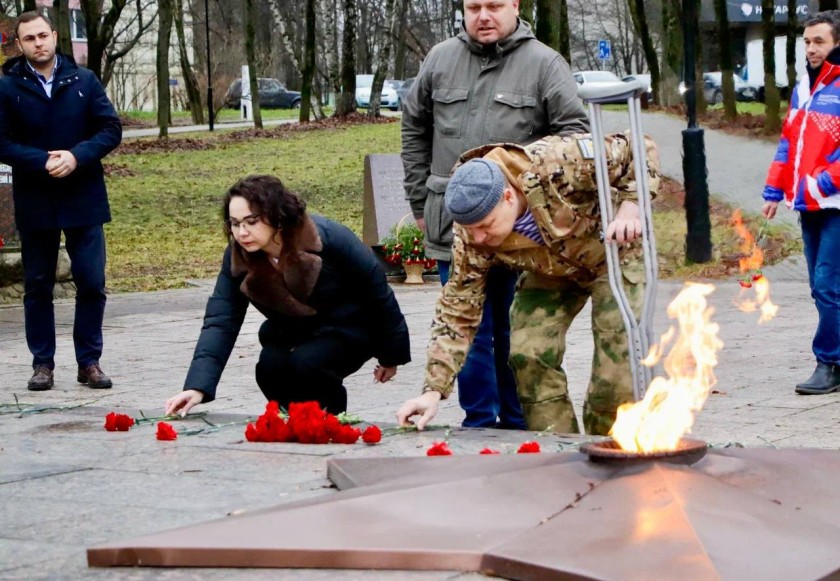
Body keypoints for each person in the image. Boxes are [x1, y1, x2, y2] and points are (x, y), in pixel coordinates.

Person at [401, 0, 590, 430]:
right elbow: (413, 126)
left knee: (514, 331)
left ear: (515, 6)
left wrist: (543, 202)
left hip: (522, 229)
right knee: (471, 328)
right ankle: (479, 423)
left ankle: (519, 422)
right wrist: (418, 200)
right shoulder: (440, 59)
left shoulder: (544, 64)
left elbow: (575, 136)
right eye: (473, 7)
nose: (483, 16)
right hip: (457, 224)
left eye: (493, 6)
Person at [396, 132, 660, 435]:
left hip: (614, 255)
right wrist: (433, 390)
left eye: (485, 226)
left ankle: (610, 446)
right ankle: (557, 446)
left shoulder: (559, 160)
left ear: (508, 196)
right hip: (550, 271)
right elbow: (457, 310)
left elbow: (639, 147)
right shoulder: (471, 235)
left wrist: (631, 206)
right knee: (527, 353)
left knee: (617, 362)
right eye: (472, 230)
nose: (480, 238)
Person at [165, 175, 411, 417]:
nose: (242, 232)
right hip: (295, 332)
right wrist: (197, 386)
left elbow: (378, 295)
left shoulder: (329, 238)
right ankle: (293, 422)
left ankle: (332, 422)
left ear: (277, 218)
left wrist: (391, 356)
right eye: (235, 223)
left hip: (350, 327)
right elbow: (221, 319)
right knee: (269, 367)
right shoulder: (238, 257)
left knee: (308, 364)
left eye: (251, 221)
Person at [0, 12, 122, 391]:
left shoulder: (83, 81)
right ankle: (43, 365)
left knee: (91, 280)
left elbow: (110, 129)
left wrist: (76, 156)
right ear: (19, 45)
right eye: (29, 39)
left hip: (83, 196)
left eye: (43, 35)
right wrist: (41, 161)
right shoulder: (7, 87)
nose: (38, 43)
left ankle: (89, 362)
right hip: (37, 198)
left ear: (54, 36)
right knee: (38, 285)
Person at [763, 11, 840, 395]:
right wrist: (774, 190)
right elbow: (788, 143)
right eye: (807, 41)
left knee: (827, 284)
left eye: (819, 41)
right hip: (809, 204)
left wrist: (822, 181)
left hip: (836, 203)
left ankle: (828, 362)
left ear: (837, 43)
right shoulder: (803, 89)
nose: (811, 48)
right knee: (819, 286)